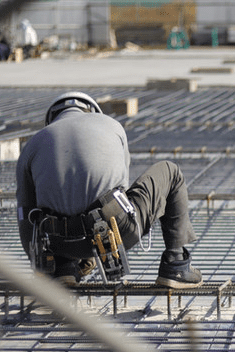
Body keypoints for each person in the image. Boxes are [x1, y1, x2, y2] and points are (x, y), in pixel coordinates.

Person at [16, 91, 203, 288]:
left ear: (52, 119)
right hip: (115, 232)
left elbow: (25, 215)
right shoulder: (111, 125)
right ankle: (176, 264)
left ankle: (62, 271)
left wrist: (43, 267)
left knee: (45, 212)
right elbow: (120, 189)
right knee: (170, 172)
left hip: (57, 243)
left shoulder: (32, 145)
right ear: (92, 111)